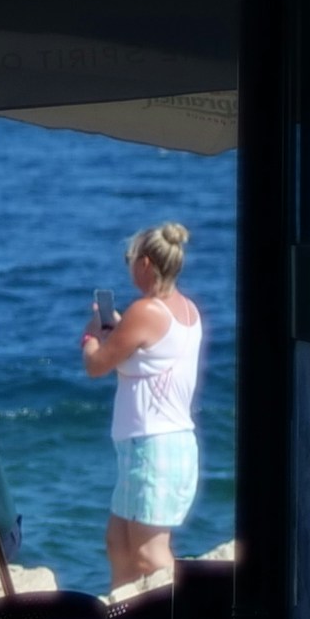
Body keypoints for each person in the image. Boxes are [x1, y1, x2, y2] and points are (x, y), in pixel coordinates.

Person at [77, 221, 207, 590]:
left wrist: (91, 335)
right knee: (119, 545)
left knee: (150, 554)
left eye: (130, 259)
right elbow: (149, 353)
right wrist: (117, 329)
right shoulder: (185, 310)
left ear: (146, 263)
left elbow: (96, 364)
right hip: (163, 444)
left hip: (152, 447)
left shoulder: (146, 310)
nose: (129, 266)